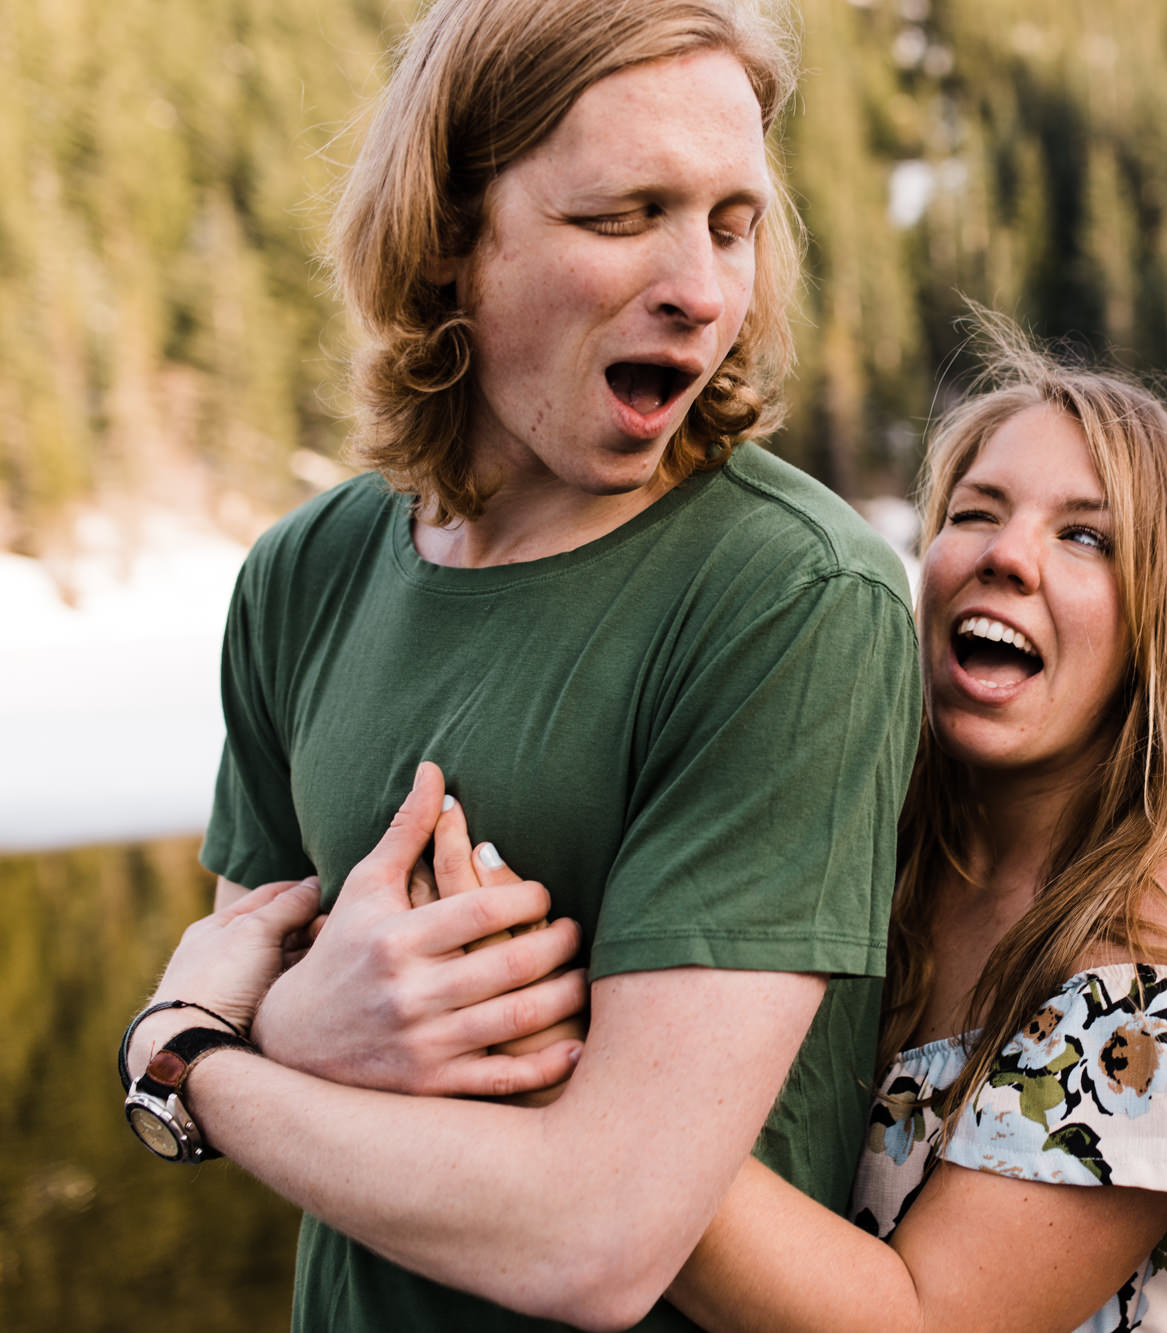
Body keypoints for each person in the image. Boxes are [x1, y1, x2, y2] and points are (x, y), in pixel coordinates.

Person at [154, 315, 1167, 1330]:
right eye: (976, 512)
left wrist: (564, 1071)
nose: (1005, 559)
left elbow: (914, 1321)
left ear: (1164, 623)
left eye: (1085, 537)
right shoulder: (879, 852)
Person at [119, 2, 920, 1330]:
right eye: (624, 215)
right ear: (449, 238)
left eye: (731, 221)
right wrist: (281, 1038)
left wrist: (190, 1059)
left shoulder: (794, 600)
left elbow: (597, 1242)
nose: (704, 290)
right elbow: (262, 979)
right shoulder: (302, 575)